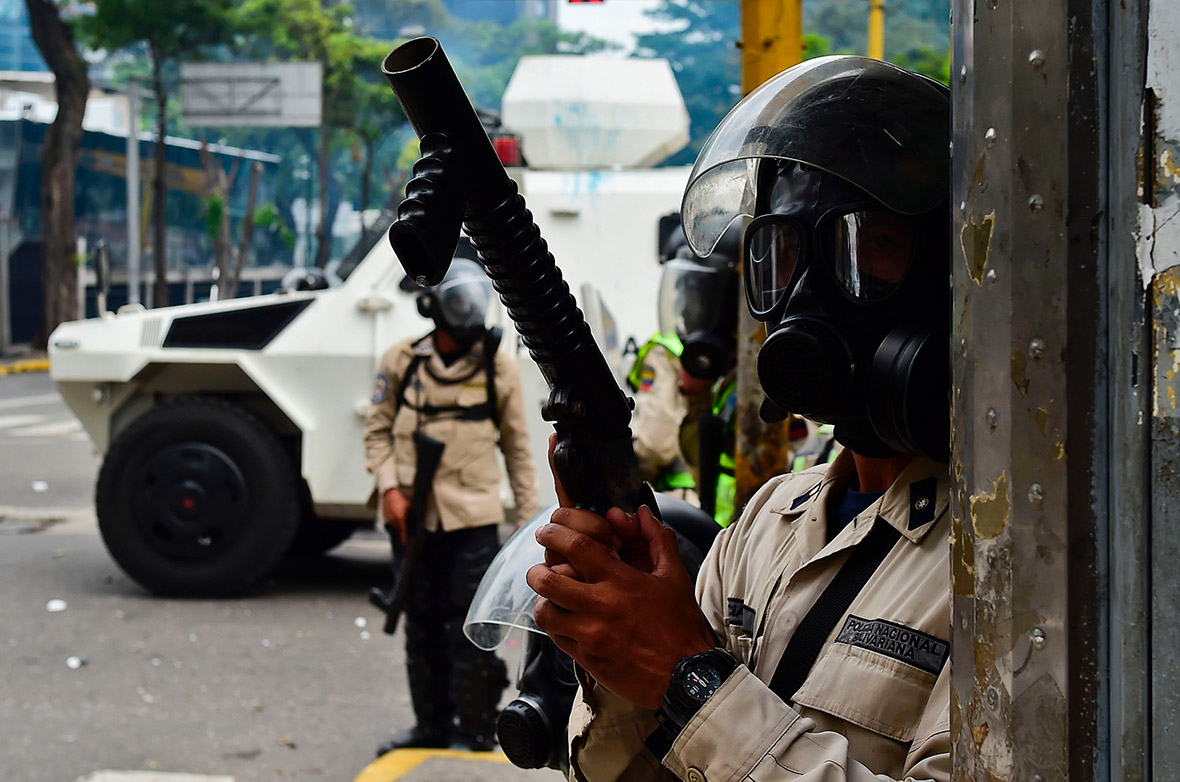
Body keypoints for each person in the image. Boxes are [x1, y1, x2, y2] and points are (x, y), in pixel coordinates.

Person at [526, 55, 952, 781]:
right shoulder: (767, 521)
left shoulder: (1002, 564)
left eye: (870, 244)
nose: (809, 293)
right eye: (785, 253)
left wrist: (686, 677)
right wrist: (622, 658)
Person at [364, 256, 540, 754]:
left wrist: (528, 535)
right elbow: (376, 434)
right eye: (459, 301)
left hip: (473, 520)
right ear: (435, 307)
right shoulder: (402, 361)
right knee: (422, 626)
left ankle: (477, 728)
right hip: (411, 519)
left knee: (473, 627)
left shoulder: (495, 367)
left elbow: (519, 451)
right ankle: (431, 725)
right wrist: (390, 490)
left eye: (474, 300)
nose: (470, 311)